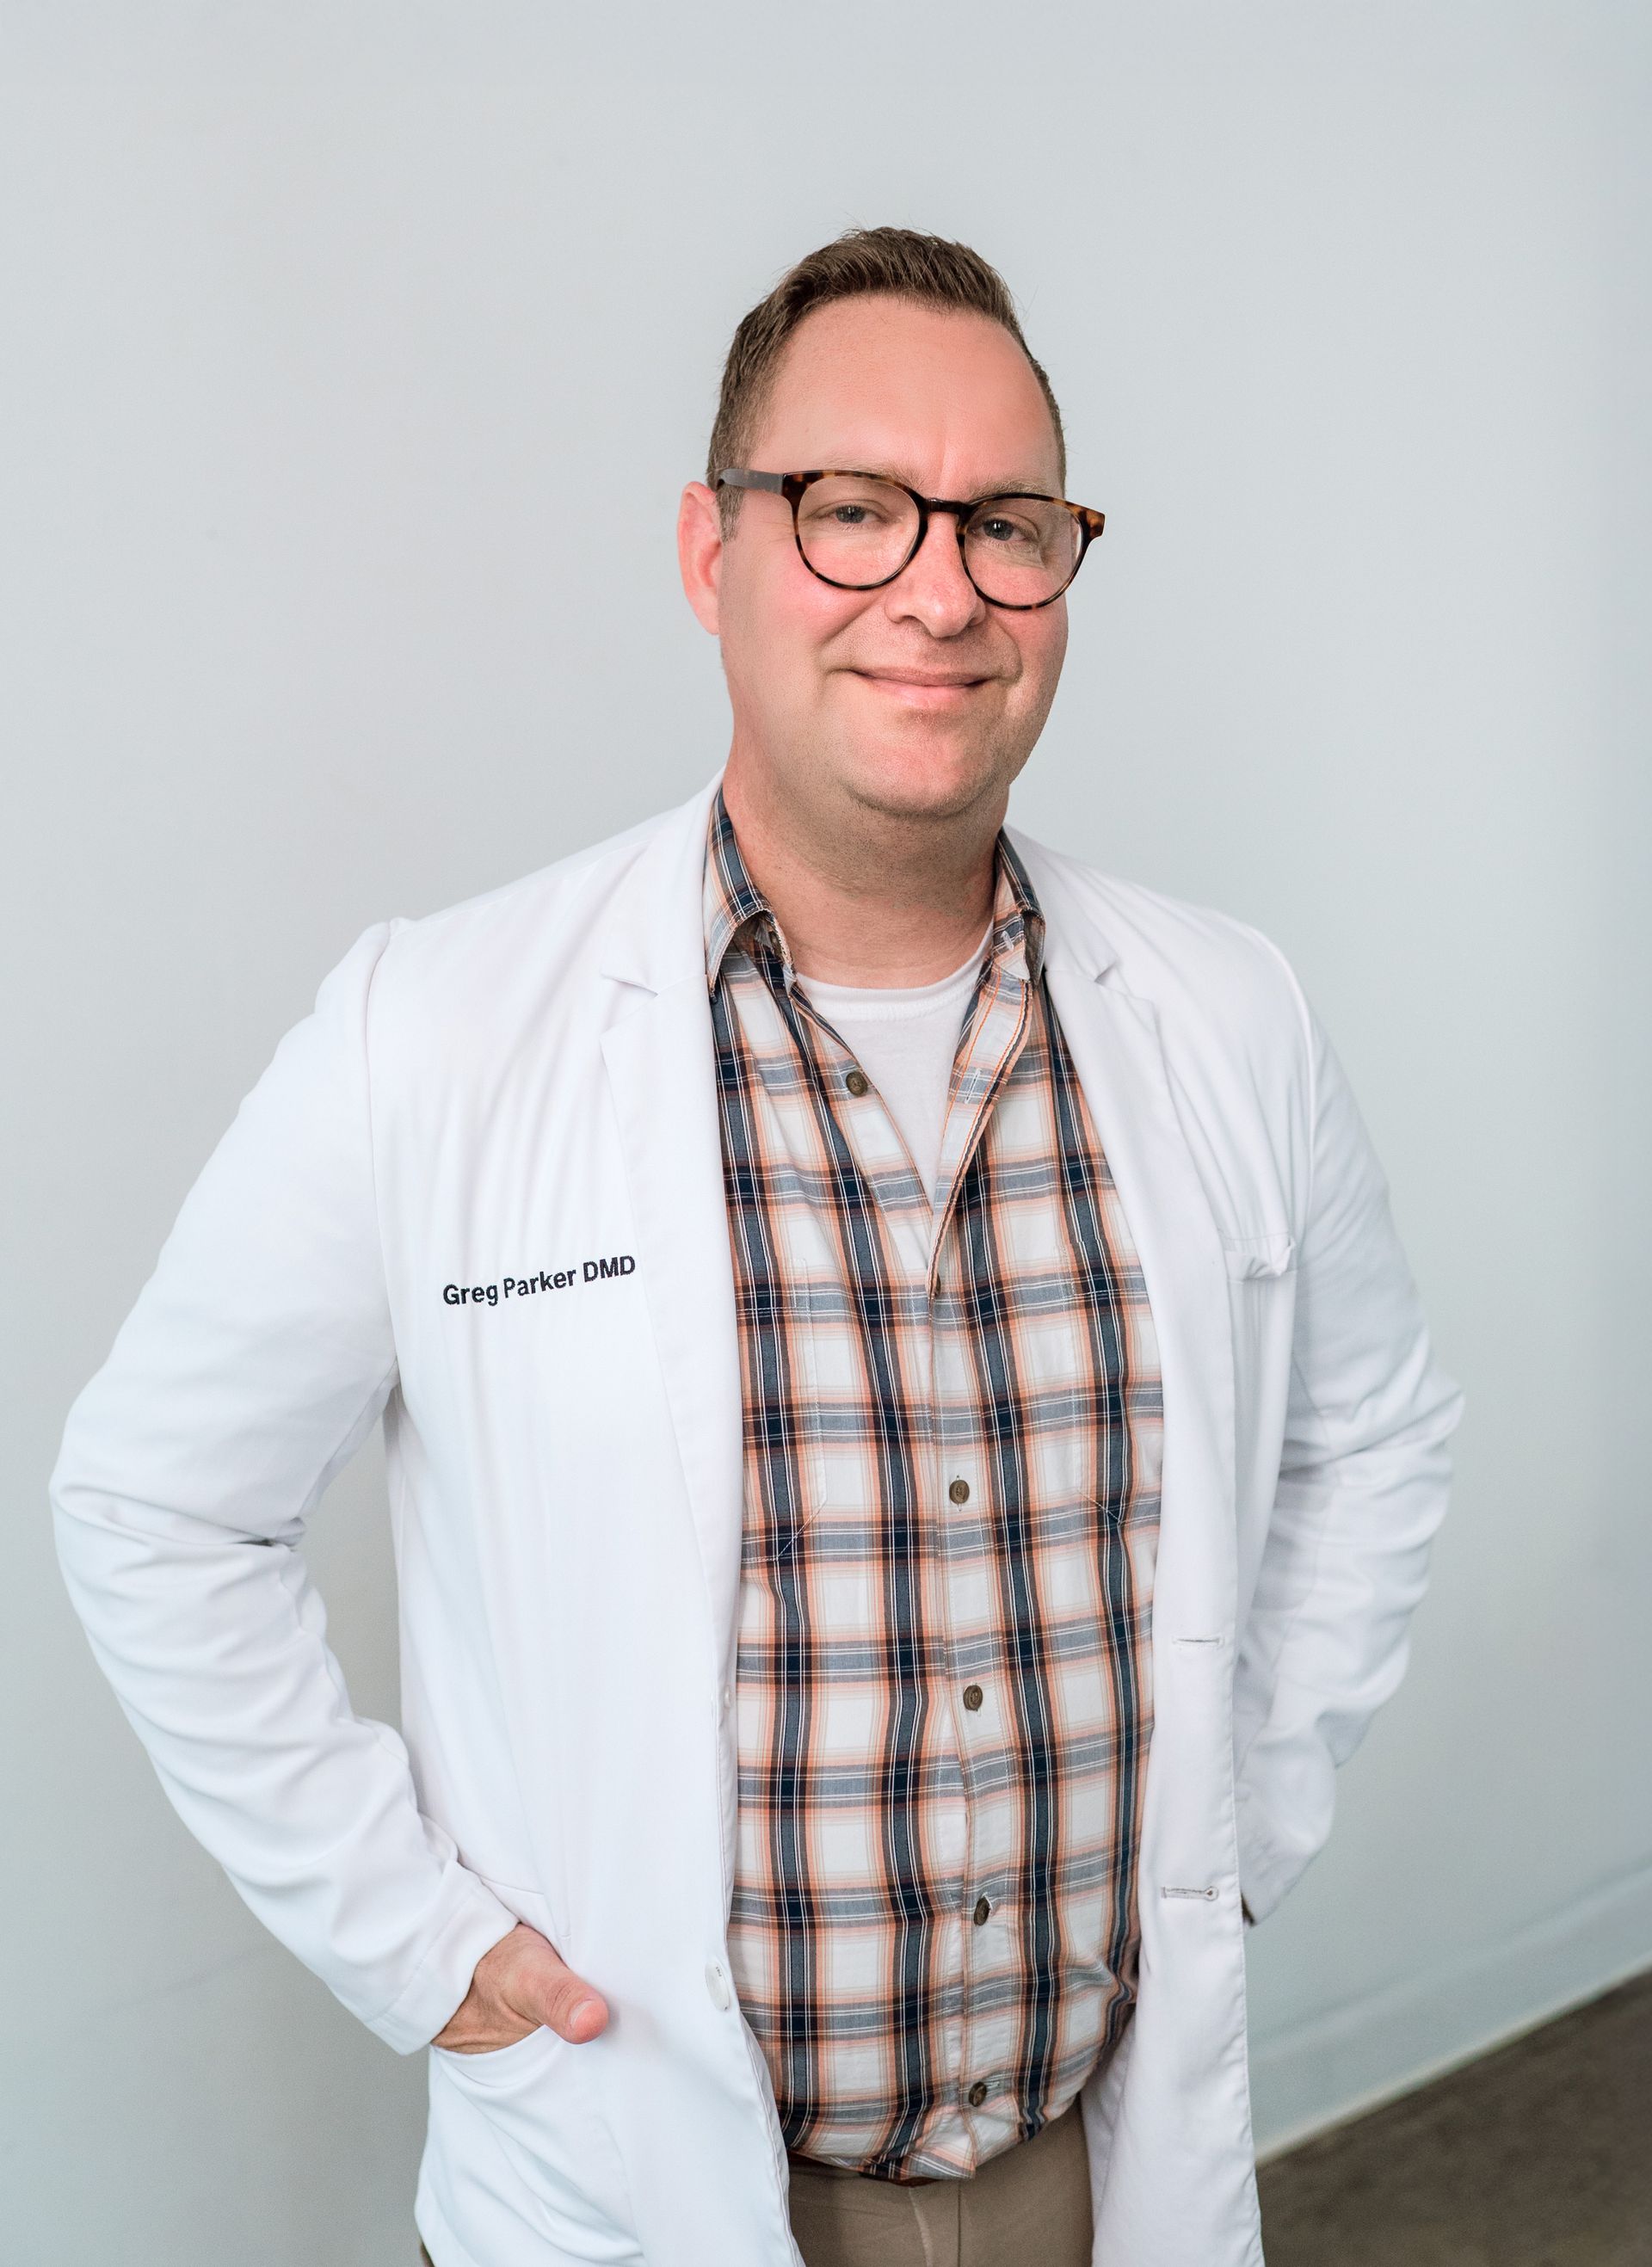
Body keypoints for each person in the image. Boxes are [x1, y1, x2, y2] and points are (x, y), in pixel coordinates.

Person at [52, 227, 1463, 2267]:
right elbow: (156, 1502)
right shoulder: (433, 1032)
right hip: (634, 2174)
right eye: (855, 511)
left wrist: (1239, 1829)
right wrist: (418, 1944)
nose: (942, 590)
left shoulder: (1226, 1015)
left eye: (1010, 525)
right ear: (714, 555)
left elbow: (1377, 1436)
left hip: (1090, 2170)